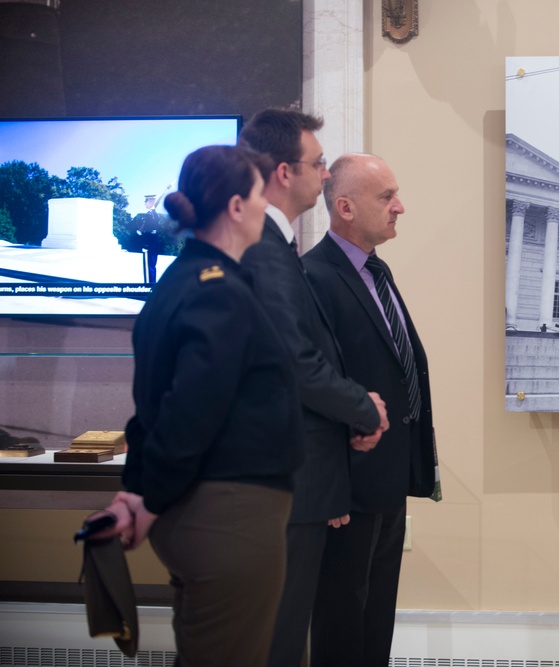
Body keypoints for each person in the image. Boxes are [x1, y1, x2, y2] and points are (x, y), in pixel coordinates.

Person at [111, 144, 302, 666]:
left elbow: (149, 408)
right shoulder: (221, 292)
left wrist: (136, 490)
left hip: (205, 512)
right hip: (228, 516)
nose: (268, 207)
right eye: (262, 195)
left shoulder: (177, 283)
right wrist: (147, 500)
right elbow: (189, 411)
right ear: (238, 207)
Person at [238, 108, 390, 667]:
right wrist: (363, 408)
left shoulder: (276, 248)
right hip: (285, 486)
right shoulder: (265, 250)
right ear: (284, 171)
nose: (326, 176)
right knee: (277, 643)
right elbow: (294, 363)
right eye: (319, 162)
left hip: (300, 482)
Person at [301, 153, 440, 667]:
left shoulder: (375, 272)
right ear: (345, 207)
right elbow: (314, 392)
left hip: (387, 479)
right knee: (341, 624)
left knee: (375, 618)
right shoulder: (313, 277)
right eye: (386, 197)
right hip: (346, 490)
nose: (399, 207)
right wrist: (329, 485)